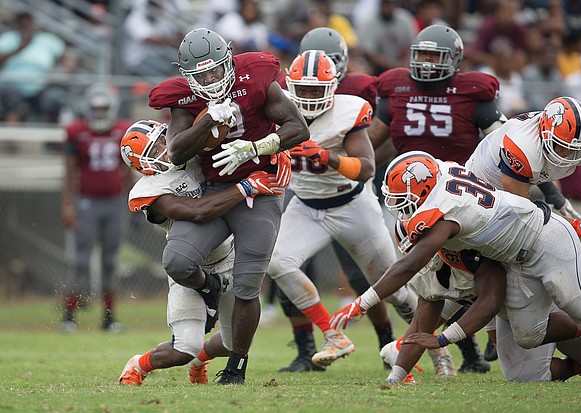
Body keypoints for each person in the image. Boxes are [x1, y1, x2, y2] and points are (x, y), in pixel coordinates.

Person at [330, 151, 581, 383]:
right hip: (515, 258)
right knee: (525, 360)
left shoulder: (448, 224)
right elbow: (427, 310)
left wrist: (362, 304)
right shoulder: (439, 176)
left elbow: (483, 297)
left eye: (419, 239)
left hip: (543, 241)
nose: (405, 214)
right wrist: (395, 378)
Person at [147, 27, 309, 384]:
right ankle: (210, 287)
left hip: (260, 189)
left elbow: (298, 128)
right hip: (215, 188)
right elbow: (176, 150)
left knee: (248, 284)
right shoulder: (184, 98)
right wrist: (207, 117)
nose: (209, 79)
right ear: (186, 74)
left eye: (215, 70)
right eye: (200, 75)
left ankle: (237, 365)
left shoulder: (257, 76)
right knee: (177, 260)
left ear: (230, 60)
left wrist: (255, 148)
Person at [368, 24, 507, 373]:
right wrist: (360, 166)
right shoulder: (396, 88)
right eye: (422, 54)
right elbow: (376, 140)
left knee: (462, 274)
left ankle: (478, 340)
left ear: (455, 59)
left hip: (458, 201)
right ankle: (463, 348)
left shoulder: (473, 92)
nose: (427, 63)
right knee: (433, 278)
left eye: (435, 55)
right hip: (409, 198)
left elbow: (506, 143)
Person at [268, 49, 419, 369]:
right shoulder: (274, 109)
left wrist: (329, 158)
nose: (308, 97)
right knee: (279, 262)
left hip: (352, 205)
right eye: (302, 89)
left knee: (391, 289)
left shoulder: (348, 111)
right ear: (289, 86)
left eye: (315, 90)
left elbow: (365, 169)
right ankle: (332, 333)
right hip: (306, 206)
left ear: (333, 88)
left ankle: (430, 343)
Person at [116, 119, 283, 385]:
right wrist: (247, 188)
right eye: (155, 147)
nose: (165, 146)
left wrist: (277, 157)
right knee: (184, 348)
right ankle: (139, 364)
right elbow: (199, 212)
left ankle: (200, 360)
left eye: (164, 138)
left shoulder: (195, 154)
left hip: (225, 258)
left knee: (232, 343)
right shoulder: (149, 190)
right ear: (142, 164)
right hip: (190, 271)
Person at [381, 226, 581, 383]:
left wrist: (442, 340)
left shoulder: (469, 248)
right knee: (523, 376)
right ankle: (577, 364)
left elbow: (488, 303)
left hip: (536, 289)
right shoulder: (435, 270)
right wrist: (397, 374)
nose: (416, 257)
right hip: (508, 309)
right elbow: (436, 313)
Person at [60, 84, 134, 333]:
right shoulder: (76, 132)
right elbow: (69, 172)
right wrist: (67, 205)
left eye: (103, 108)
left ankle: (109, 317)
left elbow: (129, 168)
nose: (100, 113)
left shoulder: (122, 130)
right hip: (87, 202)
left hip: (114, 203)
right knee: (80, 261)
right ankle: (69, 316)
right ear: (87, 109)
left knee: (110, 262)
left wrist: (134, 199)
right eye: (96, 108)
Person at [0, 11, 68, 123]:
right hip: (11, 86)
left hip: (40, 87)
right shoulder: (8, 38)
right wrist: (17, 50)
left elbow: (67, 58)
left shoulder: (47, 40)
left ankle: (51, 138)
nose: (26, 28)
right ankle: (11, 138)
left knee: (53, 100)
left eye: (28, 24)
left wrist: (65, 68)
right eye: (22, 25)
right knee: (12, 99)